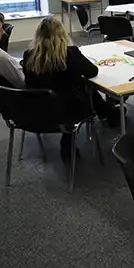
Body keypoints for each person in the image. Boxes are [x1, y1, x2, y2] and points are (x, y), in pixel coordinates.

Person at [22, 17, 118, 161]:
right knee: (83, 85)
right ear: (62, 33)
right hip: (71, 110)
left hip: (40, 109)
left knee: (77, 85)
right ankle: (108, 112)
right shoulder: (71, 53)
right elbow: (92, 72)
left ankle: (106, 111)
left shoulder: (29, 55)